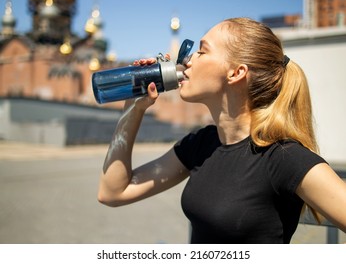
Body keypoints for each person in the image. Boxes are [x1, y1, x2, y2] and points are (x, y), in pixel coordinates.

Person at [97, 17, 346, 244]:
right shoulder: (202, 143)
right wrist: (133, 108)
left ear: (236, 73)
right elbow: (113, 191)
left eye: (202, 51)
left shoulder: (283, 158)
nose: (188, 60)